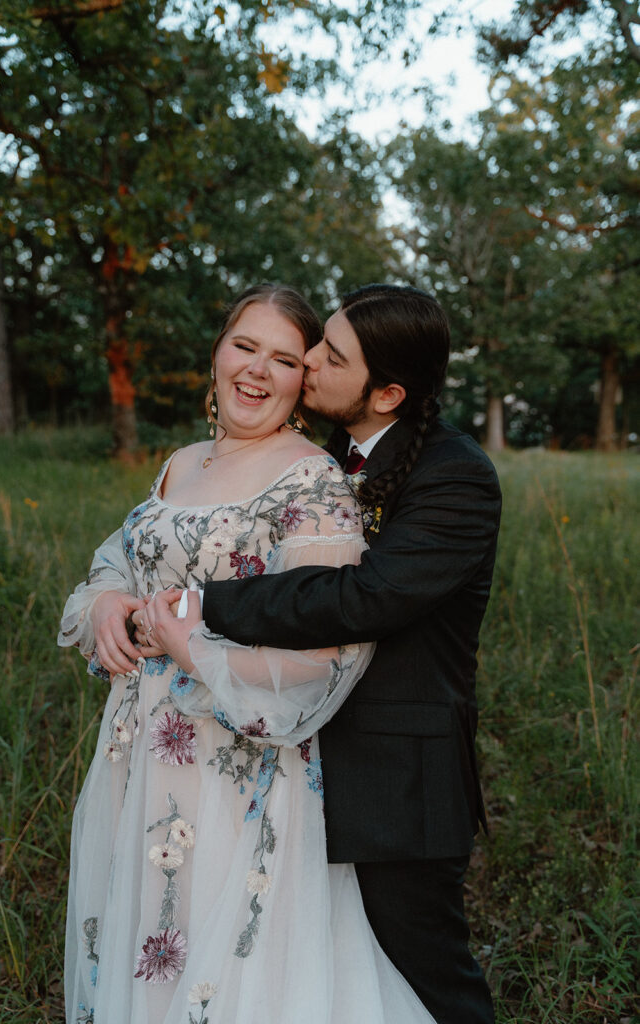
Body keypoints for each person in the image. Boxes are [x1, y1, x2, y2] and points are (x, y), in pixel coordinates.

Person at [58, 283, 438, 1024]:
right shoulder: (179, 462)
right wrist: (104, 603)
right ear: (217, 351)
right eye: (244, 345)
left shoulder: (310, 480)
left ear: (305, 381)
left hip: (236, 767)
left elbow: (332, 648)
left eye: (284, 359)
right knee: (147, 942)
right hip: (136, 755)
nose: (256, 371)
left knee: (225, 963)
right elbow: (118, 562)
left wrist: (193, 650)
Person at [201, 283, 502, 1024]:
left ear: (386, 393)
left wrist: (208, 602)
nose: (306, 360)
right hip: (296, 756)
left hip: (395, 776)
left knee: (423, 971)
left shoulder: (455, 476)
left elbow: (363, 597)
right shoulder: (321, 454)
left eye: (329, 356)